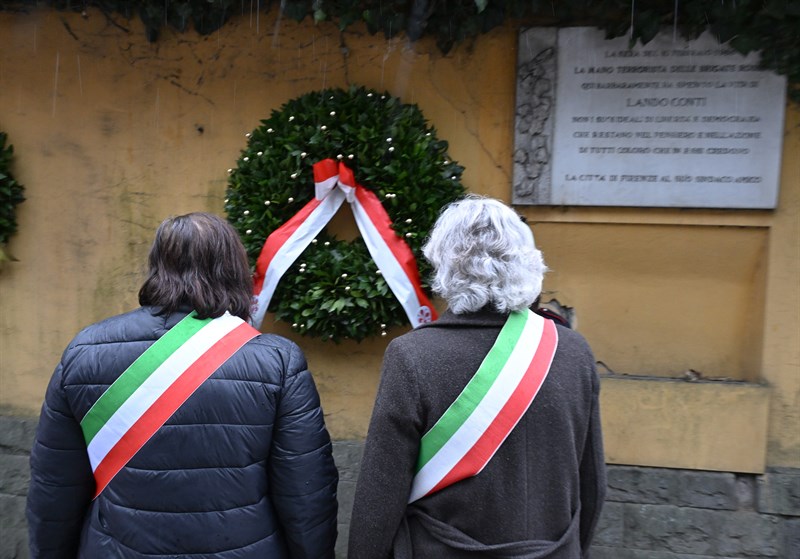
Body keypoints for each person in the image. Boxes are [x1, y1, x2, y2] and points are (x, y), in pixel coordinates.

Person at [27, 212, 338, 559]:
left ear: (158, 265)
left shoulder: (84, 351)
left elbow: (55, 487)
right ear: (234, 270)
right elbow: (306, 492)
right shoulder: (278, 361)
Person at [348, 196, 605, 558]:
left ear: (444, 265)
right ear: (527, 261)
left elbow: (381, 493)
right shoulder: (574, 352)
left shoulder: (413, 356)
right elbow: (592, 486)